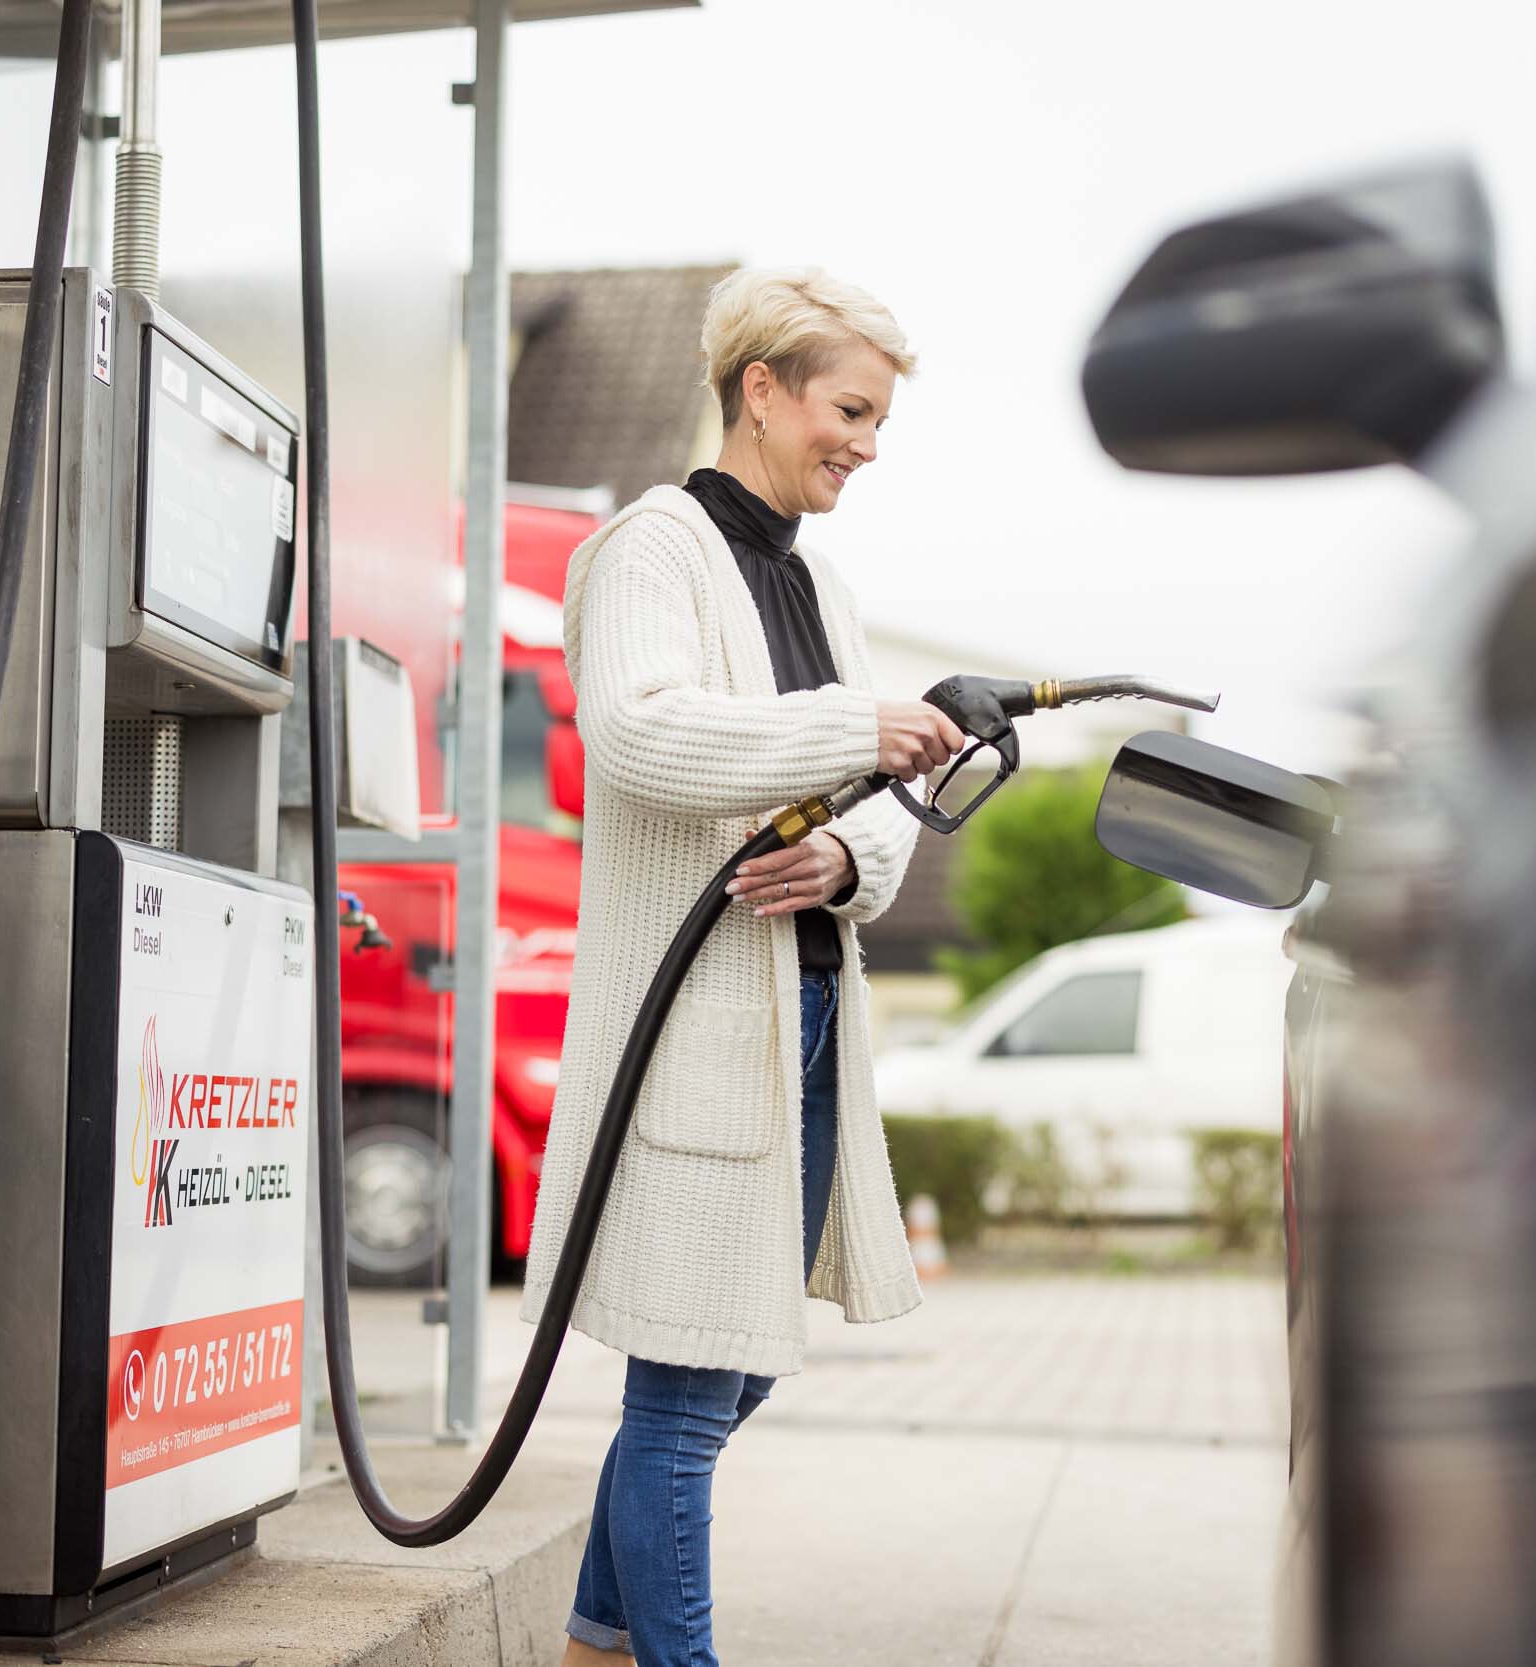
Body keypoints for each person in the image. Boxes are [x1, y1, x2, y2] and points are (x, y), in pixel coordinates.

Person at [520, 267, 964, 1667]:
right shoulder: (649, 548)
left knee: (730, 1374)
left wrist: (846, 861)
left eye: (881, 421)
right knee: (687, 1388)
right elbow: (641, 736)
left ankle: (595, 1637)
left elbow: (881, 803)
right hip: (700, 1023)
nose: (867, 446)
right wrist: (853, 733)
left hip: (811, 1009)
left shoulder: (817, 579)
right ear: (759, 389)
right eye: (850, 409)